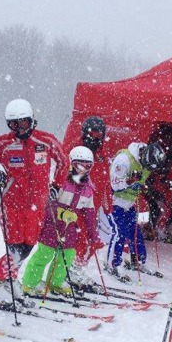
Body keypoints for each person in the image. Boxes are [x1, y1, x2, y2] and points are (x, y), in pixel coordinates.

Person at [0, 98, 68, 301]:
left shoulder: (46, 141)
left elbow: (64, 162)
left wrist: (56, 186)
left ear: (32, 120)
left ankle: (9, 279)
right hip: (12, 205)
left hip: (36, 206)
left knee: (28, 246)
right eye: (13, 124)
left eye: (23, 122)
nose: (19, 128)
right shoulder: (3, 143)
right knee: (14, 249)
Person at [21, 146, 102, 295]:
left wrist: (93, 235)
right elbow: (47, 202)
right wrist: (60, 212)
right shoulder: (61, 181)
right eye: (79, 165)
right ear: (71, 163)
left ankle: (55, 282)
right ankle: (29, 283)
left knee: (67, 256)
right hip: (51, 223)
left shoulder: (88, 189)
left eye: (87, 166)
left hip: (70, 227)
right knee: (44, 254)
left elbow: (89, 214)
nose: (82, 169)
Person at [107, 141, 166, 276]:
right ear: (144, 155)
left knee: (135, 233)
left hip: (130, 203)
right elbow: (114, 185)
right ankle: (113, 264)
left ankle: (138, 261)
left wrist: (143, 188)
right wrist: (129, 182)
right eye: (147, 165)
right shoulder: (124, 159)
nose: (147, 169)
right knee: (120, 233)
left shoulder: (149, 163)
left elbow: (142, 180)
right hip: (115, 202)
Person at [69, 116, 110, 284]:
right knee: (80, 239)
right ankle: (71, 270)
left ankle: (77, 268)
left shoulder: (102, 155)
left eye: (98, 135)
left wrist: (108, 205)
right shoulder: (76, 151)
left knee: (93, 242)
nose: (94, 139)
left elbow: (105, 181)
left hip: (94, 206)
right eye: (91, 134)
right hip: (77, 205)